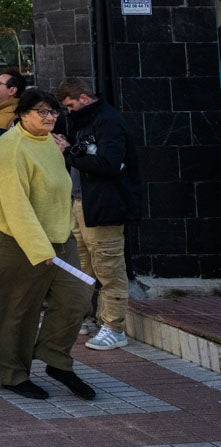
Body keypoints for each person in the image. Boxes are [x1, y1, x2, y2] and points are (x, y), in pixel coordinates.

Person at [0, 89, 96, 401]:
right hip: (14, 237)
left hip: (58, 237)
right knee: (14, 308)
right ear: (22, 114)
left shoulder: (49, 142)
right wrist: (38, 247)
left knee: (77, 299)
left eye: (53, 111)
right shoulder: (11, 146)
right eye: (42, 112)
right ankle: (11, 374)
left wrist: (61, 235)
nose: (50, 117)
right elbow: (15, 203)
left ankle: (55, 359)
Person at [56, 77, 143, 352]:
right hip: (83, 203)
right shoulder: (87, 122)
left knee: (108, 268)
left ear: (83, 98)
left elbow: (109, 164)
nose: (69, 111)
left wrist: (69, 152)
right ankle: (91, 319)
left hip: (104, 206)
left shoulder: (107, 121)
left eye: (70, 105)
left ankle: (114, 327)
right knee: (84, 267)